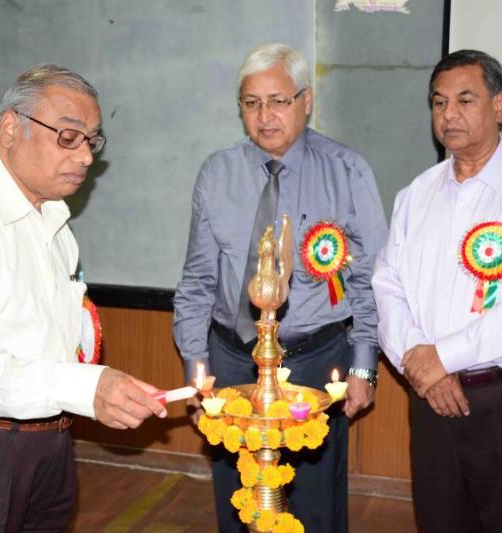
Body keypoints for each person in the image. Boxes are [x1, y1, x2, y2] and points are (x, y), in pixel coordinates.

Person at [0, 64, 167, 532]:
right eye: (69, 136)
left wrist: (83, 391)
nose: (86, 156)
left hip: (48, 440)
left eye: (92, 141)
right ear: (10, 128)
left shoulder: (51, 216)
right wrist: (82, 388)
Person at [173, 43, 387, 533]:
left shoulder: (346, 171)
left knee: (312, 507)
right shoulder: (218, 172)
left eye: (278, 101)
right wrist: (195, 370)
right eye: (251, 103)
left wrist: (363, 366)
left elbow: (370, 280)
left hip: (314, 365)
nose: (264, 116)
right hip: (231, 364)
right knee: (240, 502)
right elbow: (197, 279)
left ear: (305, 101)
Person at [372, 49, 502, 532]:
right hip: (430, 399)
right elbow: (387, 285)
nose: (449, 114)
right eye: (439, 102)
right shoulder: (416, 194)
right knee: (440, 521)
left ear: (499, 105)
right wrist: (422, 364)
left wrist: (444, 357)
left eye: (465, 100)